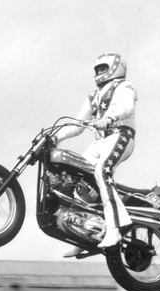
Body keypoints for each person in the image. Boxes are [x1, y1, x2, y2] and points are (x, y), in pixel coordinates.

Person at [53, 53, 137, 252]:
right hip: (100, 141)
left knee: (102, 170)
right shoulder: (94, 95)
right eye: (97, 69)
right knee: (79, 176)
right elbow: (78, 123)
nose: (99, 73)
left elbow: (127, 106)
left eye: (103, 68)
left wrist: (110, 118)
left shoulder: (124, 86)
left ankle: (116, 227)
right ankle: (88, 233)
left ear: (115, 67)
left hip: (120, 135)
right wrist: (56, 137)